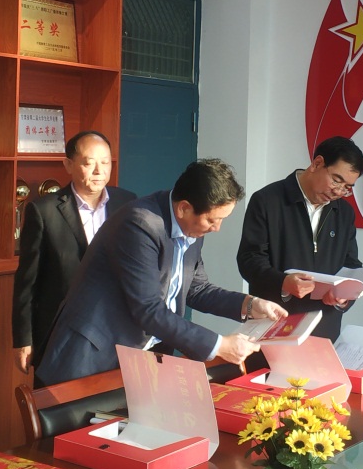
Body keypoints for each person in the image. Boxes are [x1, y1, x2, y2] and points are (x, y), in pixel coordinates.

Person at [35, 158, 288, 383]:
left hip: (136, 358)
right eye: (213, 220)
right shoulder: (141, 224)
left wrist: (250, 305)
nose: (217, 228)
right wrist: (220, 345)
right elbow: (148, 308)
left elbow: (198, 289)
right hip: (91, 357)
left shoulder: (191, 228)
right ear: (184, 208)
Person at [11, 130, 136, 377]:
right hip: (61, 332)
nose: (99, 171)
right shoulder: (44, 211)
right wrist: (23, 339)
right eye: (89, 163)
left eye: (105, 162)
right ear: (68, 164)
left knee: (110, 397)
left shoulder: (127, 203)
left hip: (115, 330)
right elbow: (27, 282)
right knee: (56, 397)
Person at [236, 136, 363, 342]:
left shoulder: (344, 213)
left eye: (347, 187)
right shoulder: (268, 201)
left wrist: (344, 296)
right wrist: (283, 282)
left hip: (324, 330)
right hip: (274, 324)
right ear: (317, 163)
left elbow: (351, 264)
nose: (338, 191)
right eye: (336, 180)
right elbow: (249, 260)